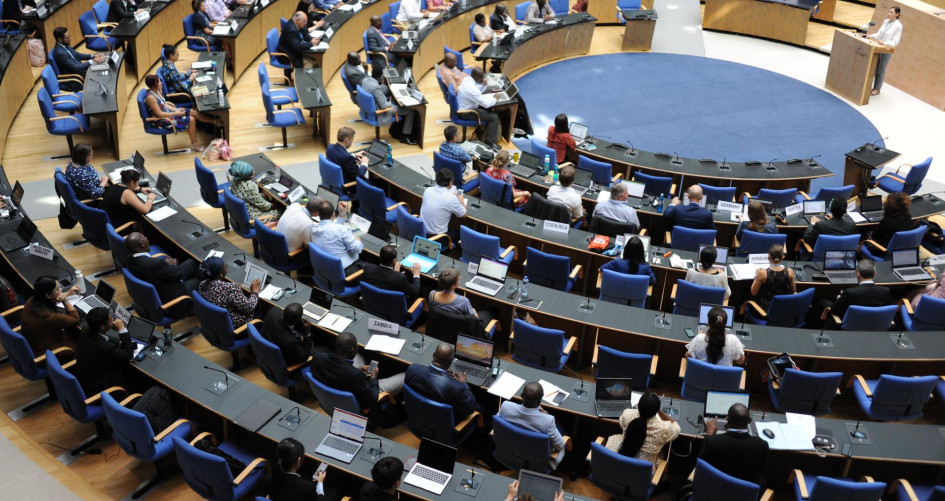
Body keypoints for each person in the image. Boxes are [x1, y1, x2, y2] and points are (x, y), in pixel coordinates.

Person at [310, 332, 404, 411]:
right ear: (352, 349)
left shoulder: (318, 358)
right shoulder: (355, 375)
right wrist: (373, 378)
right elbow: (372, 401)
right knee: (405, 375)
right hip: (362, 397)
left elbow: (341, 373)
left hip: (333, 395)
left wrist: (357, 370)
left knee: (359, 355)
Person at [605, 392, 680, 473]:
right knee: (663, 452)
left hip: (619, 463)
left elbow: (622, 424)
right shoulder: (665, 428)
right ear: (656, 410)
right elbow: (676, 428)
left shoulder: (627, 414)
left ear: (639, 405)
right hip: (642, 475)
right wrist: (659, 411)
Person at [404, 342, 480, 421]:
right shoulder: (456, 388)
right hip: (442, 425)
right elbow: (471, 408)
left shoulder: (412, 369)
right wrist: (463, 383)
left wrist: (446, 376)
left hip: (416, 418)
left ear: (433, 355)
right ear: (450, 362)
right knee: (483, 407)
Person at [701, 403, 769, 489]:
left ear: (727, 419)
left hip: (715, 491)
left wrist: (709, 435)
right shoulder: (761, 445)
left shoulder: (712, 442)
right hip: (745, 495)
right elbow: (762, 473)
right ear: (749, 420)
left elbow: (702, 469)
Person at [498, 382, 567, 466]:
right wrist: (546, 416)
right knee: (561, 427)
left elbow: (498, 422)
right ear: (540, 400)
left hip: (508, 451)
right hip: (536, 462)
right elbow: (560, 446)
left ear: (521, 395)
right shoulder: (548, 421)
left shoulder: (505, 406)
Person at [143, 74, 217, 152]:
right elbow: (160, 114)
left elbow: (165, 104)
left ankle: (215, 122)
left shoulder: (157, 91)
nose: (161, 83)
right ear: (155, 85)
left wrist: (176, 110)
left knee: (191, 111)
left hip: (168, 114)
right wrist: (176, 113)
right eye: (159, 82)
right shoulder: (150, 98)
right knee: (191, 120)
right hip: (161, 120)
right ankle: (195, 144)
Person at [125, 232, 200, 303]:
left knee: (192, 262)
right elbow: (179, 274)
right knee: (202, 277)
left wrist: (165, 265)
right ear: (142, 244)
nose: (147, 239)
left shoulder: (129, 260)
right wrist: (170, 266)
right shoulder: (155, 264)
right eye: (145, 238)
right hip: (175, 298)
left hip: (159, 287)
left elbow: (153, 271)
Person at [75, 307, 135, 396]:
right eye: (111, 320)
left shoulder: (86, 329)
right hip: (100, 387)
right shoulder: (105, 348)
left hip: (86, 376)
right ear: (102, 327)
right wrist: (122, 330)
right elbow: (128, 354)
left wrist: (118, 341)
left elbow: (105, 338)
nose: (114, 321)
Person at [21, 276, 80, 355]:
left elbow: (51, 299)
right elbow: (75, 318)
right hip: (48, 353)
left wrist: (67, 294)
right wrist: (65, 300)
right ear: (48, 295)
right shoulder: (49, 316)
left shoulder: (33, 300)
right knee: (84, 340)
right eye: (58, 289)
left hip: (36, 343)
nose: (61, 290)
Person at [819, 259, 893, 322]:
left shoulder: (849, 292)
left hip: (851, 325)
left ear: (857, 274)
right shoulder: (886, 291)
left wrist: (839, 299)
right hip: (876, 325)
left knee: (821, 301)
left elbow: (834, 311)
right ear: (875, 274)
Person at [196, 257, 259, 329]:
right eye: (225, 266)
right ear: (220, 275)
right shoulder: (230, 288)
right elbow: (248, 308)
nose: (226, 267)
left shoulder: (202, 285)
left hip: (217, 322)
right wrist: (255, 292)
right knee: (262, 313)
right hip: (235, 326)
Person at [361, 66, 418, 145]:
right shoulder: (376, 87)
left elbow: (378, 90)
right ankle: (405, 136)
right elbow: (384, 106)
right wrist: (390, 102)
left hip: (370, 108)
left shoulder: (365, 80)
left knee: (395, 100)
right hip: (380, 112)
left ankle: (397, 129)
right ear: (380, 77)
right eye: (382, 77)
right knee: (410, 110)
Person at [310, 200, 363, 273]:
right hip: (349, 271)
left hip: (329, 271)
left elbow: (333, 226)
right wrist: (358, 241)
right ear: (333, 214)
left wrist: (342, 213)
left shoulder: (314, 230)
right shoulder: (341, 229)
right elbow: (356, 249)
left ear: (318, 214)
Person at [429, 268, 496, 324]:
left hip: (439, 326)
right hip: (460, 329)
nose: (459, 281)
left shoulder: (432, 294)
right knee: (493, 311)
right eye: (459, 280)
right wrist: (474, 312)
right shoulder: (463, 301)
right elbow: (475, 321)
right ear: (454, 285)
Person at [456, 67, 501, 148]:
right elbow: (486, 104)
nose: (483, 78)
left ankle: (482, 134)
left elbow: (477, 92)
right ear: (476, 77)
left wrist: (484, 85)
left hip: (467, 107)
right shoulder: (471, 88)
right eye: (481, 77)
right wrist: (495, 98)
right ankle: (490, 142)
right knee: (494, 117)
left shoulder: (467, 79)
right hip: (467, 112)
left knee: (490, 110)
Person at [51, 28, 105, 92]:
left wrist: (92, 56)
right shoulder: (59, 53)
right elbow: (75, 67)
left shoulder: (64, 44)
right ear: (60, 40)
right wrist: (92, 61)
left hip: (80, 71)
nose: (69, 39)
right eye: (67, 38)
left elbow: (77, 55)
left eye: (69, 36)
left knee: (101, 70)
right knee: (99, 77)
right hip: (75, 79)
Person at [419, 168, 466, 240]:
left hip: (421, 232)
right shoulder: (451, 198)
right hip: (438, 238)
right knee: (461, 234)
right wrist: (461, 199)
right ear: (450, 183)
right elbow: (464, 214)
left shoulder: (428, 190)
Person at [865, 6, 902, 96]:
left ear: (897, 14)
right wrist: (870, 36)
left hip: (886, 49)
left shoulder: (898, 26)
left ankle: (877, 89)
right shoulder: (885, 21)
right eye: (888, 12)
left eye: (891, 12)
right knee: (875, 67)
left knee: (881, 69)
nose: (889, 14)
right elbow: (879, 34)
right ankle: (874, 87)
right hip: (878, 48)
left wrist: (885, 42)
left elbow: (895, 41)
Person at [750, 244, 795, 310]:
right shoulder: (790, 272)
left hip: (764, 311)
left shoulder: (762, 273)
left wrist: (757, 275)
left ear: (768, 256)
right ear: (783, 257)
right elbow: (793, 291)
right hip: (783, 309)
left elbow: (753, 293)